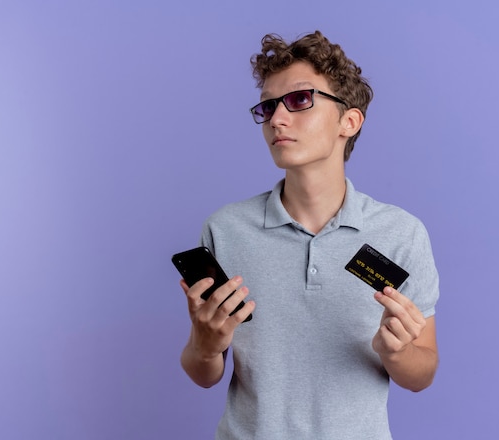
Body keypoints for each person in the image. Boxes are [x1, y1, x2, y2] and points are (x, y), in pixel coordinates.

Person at [179, 30, 440, 439]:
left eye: (300, 100)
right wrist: (205, 344)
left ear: (349, 121)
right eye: (268, 107)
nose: (277, 119)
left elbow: (422, 374)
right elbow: (203, 373)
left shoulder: (400, 233)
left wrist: (399, 352)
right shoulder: (225, 229)